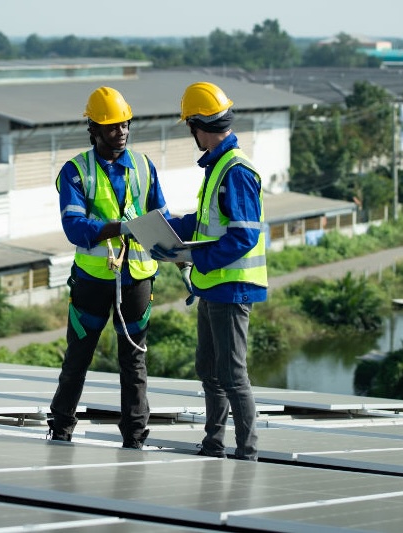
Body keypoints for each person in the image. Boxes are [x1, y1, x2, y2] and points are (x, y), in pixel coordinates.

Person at [47, 86, 171, 449]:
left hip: (137, 283)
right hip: (92, 283)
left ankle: (135, 437)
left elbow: (160, 219)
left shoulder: (145, 167)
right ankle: (60, 429)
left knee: (133, 363)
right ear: (95, 129)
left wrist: (180, 257)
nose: (122, 132)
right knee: (77, 359)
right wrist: (119, 228)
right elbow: (74, 228)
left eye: (125, 124)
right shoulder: (75, 171)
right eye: (113, 127)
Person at [150, 82, 267, 461]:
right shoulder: (218, 167)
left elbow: (244, 236)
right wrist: (161, 229)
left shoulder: (236, 170)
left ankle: (246, 452)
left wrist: (197, 258)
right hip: (213, 288)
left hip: (232, 289)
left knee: (232, 375)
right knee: (209, 371)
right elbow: (205, 225)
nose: (192, 135)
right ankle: (213, 443)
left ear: (199, 125)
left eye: (191, 127)